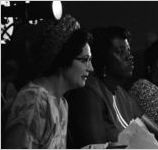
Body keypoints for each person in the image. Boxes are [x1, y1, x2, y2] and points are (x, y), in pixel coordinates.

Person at [2, 15, 94, 148]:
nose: (91, 68)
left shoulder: (62, 104)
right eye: (84, 60)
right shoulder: (34, 101)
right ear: (64, 58)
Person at [65, 26, 142, 148]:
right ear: (102, 57)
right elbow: (95, 146)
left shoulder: (121, 93)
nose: (129, 57)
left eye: (129, 51)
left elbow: (149, 128)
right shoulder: (87, 92)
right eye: (121, 52)